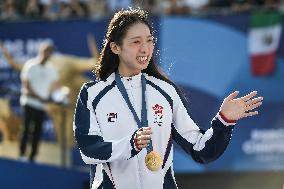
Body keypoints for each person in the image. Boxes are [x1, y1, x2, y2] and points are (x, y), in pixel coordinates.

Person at [73, 8, 263, 189]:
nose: (145, 49)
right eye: (136, 42)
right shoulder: (93, 94)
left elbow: (200, 151)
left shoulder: (165, 92)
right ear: (115, 47)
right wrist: (130, 145)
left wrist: (224, 120)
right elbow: (89, 149)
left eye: (149, 40)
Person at [19, 42, 59, 162]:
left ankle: (32, 157)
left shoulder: (51, 70)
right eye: (46, 51)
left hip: (41, 106)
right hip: (28, 103)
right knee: (26, 129)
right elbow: (27, 87)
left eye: (50, 52)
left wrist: (62, 94)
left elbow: (57, 86)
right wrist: (40, 97)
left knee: (37, 132)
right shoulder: (30, 65)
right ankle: (22, 155)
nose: (47, 54)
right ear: (41, 51)